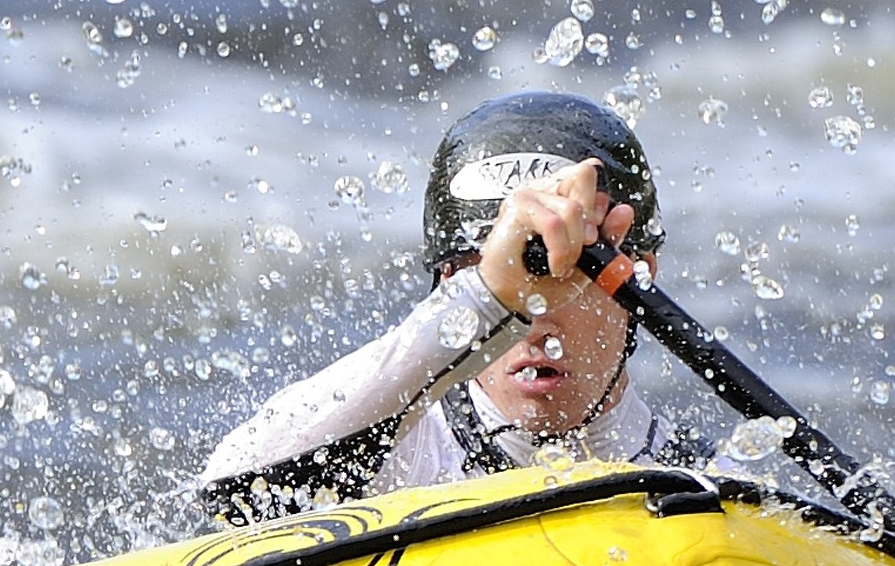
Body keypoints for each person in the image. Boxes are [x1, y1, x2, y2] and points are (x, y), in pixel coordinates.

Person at [201, 91, 677, 518]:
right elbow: (231, 494)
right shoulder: (399, 458)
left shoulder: (695, 482)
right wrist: (486, 300)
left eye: (566, 273)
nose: (532, 320)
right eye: (507, 274)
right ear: (449, 284)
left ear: (638, 280)